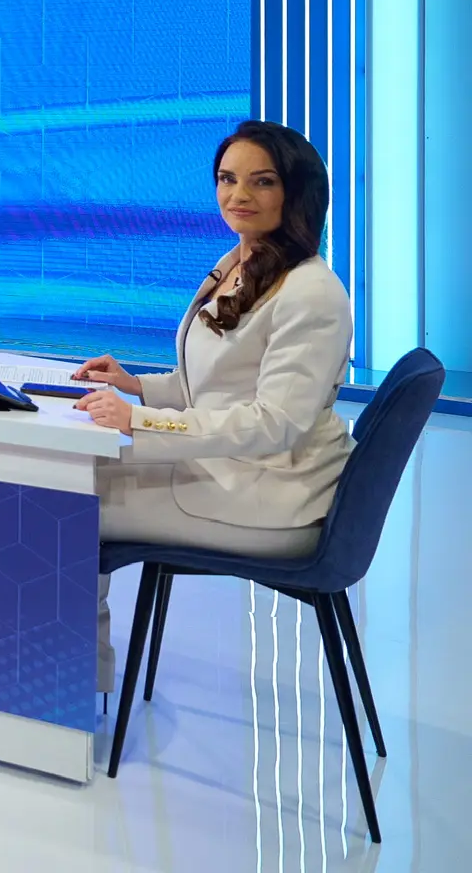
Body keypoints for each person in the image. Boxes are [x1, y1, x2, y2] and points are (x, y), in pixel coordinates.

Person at [72, 120, 353, 689]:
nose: (238, 195)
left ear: (296, 192)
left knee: (67, 502)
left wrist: (140, 421)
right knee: (66, 477)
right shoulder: (243, 262)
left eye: (262, 181)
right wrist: (137, 387)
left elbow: (274, 422)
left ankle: (72, 689)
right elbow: (219, 383)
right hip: (231, 469)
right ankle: (75, 681)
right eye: (227, 179)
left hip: (272, 496)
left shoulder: (311, 292)